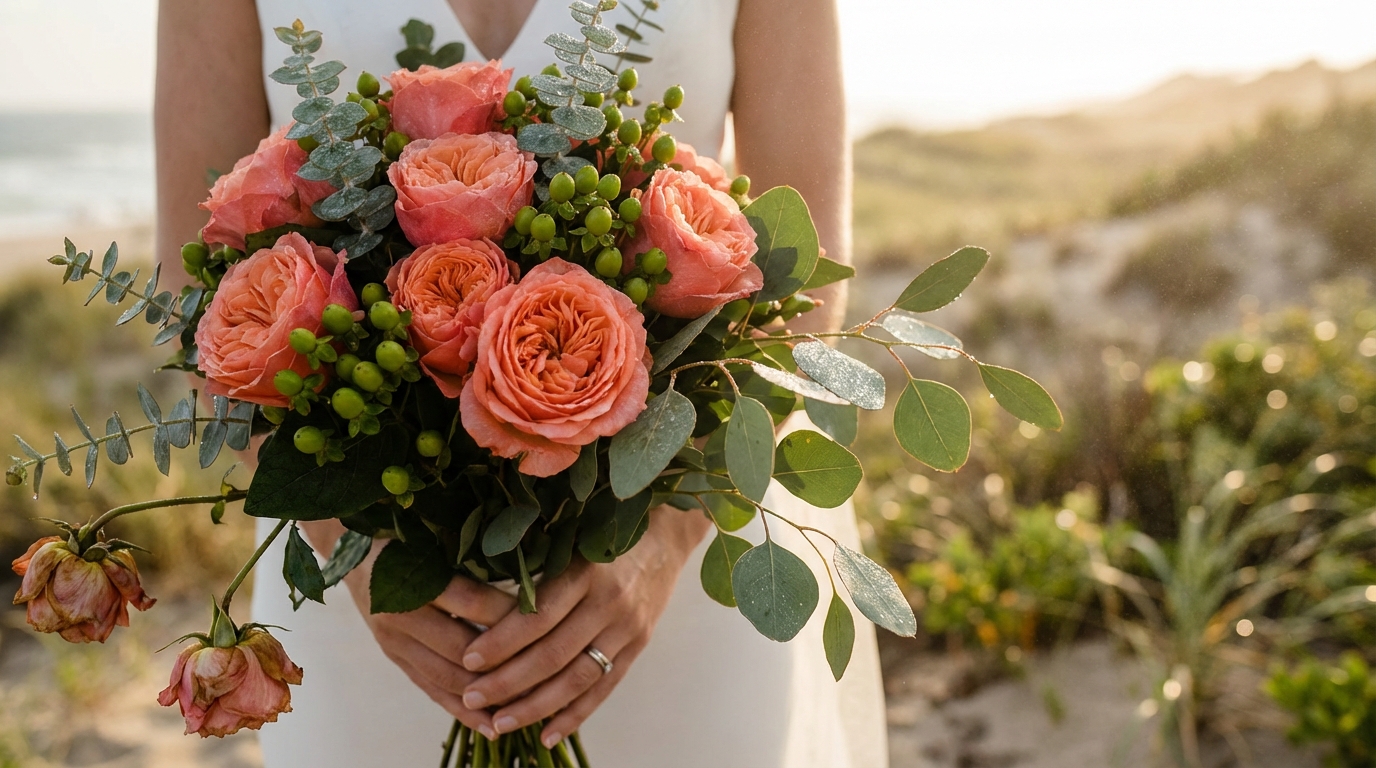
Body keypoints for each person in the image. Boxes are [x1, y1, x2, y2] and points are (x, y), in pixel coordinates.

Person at [155, 1, 886, 766]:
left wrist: (659, 548)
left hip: (674, 561)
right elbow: (196, 301)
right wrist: (351, 552)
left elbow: (795, 282)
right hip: (373, 603)